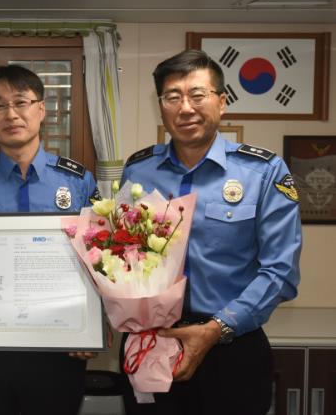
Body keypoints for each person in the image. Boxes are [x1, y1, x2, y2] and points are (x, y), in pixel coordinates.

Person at [120, 49, 302, 415]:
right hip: (153, 342)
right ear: (161, 106)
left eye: (198, 95)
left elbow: (281, 272)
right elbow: (122, 255)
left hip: (231, 348)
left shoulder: (263, 171)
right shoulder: (139, 170)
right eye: (173, 97)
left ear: (222, 101)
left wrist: (216, 328)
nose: (186, 108)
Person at [0, 64, 99, 415]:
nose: (11, 114)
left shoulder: (77, 181)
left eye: (21, 102)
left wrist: (94, 326)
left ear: (41, 109)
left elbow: (99, 260)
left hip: (60, 345)